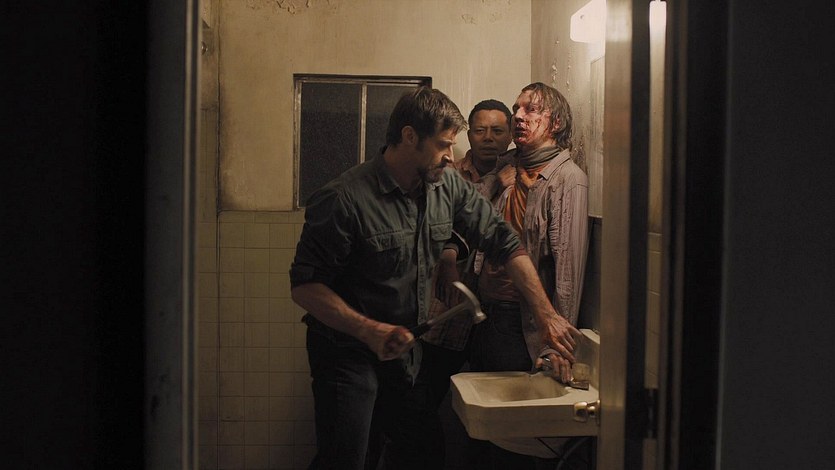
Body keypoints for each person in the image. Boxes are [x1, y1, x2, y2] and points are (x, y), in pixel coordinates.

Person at [289, 86, 580, 470]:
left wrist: (546, 316)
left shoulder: (446, 185)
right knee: (349, 457)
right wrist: (369, 330)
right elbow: (306, 287)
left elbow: (506, 243)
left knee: (419, 451)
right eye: (443, 144)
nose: (450, 154)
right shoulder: (344, 199)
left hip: (406, 350)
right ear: (410, 136)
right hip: (347, 354)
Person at [466, 82, 590, 469]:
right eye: (517, 108)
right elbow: (464, 214)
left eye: (531, 110)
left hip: (524, 324)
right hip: (486, 314)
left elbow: (568, 271)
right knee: (484, 432)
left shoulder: (567, 179)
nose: (518, 116)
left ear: (555, 123)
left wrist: (558, 343)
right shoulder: (506, 165)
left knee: (514, 442)